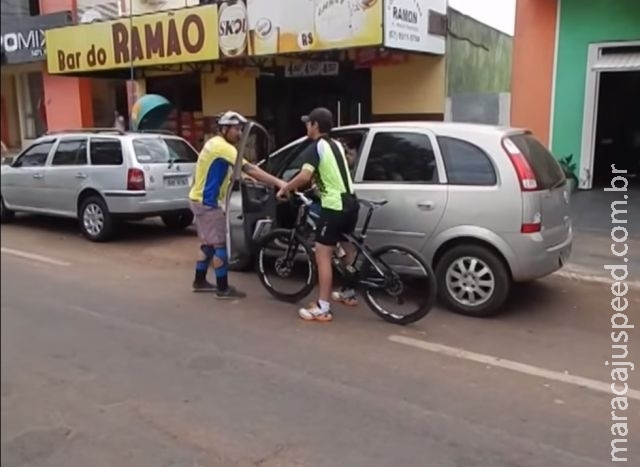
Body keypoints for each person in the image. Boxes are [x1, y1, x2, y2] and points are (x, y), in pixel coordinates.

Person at [189, 111, 286, 299]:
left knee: (208, 245)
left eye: (241, 130)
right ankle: (222, 288)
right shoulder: (224, 148)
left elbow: (236, 173)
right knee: (219, 246)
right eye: (236, 129)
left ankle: (199, 281)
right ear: (224, 129)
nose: (239, 134)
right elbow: (249, 168)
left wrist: (255, 180)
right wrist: (279, 183)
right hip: (209, 203)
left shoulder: (214, 144)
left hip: (199, 199)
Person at [277, 107, 360, 322]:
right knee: (346, 247)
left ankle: (323, 308)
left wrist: (286, 188)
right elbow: (331, 174)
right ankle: (348, 292)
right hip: (351, 202)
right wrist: (318, 187)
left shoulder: (316, 148)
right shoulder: (337, 145)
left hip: (334, 207)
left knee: (322, 254)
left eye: (308, 123)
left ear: (315, 126)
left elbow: (304, 176)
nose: (306, 126)